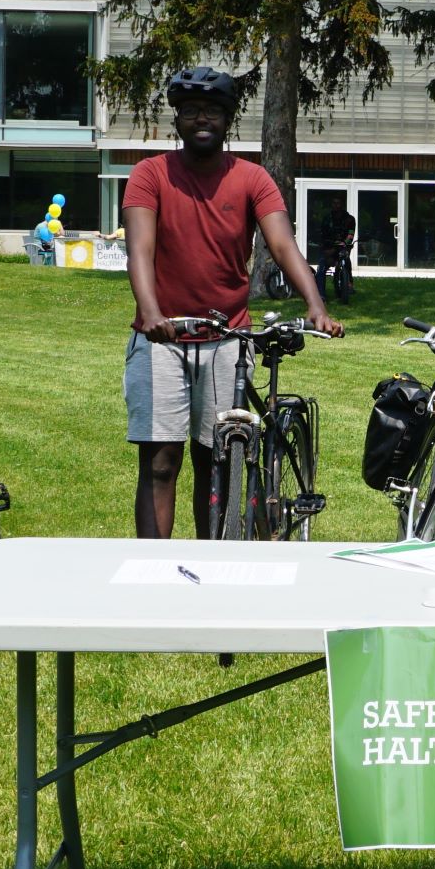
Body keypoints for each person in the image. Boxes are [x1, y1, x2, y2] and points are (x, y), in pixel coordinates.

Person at [120, 66, 341, 539]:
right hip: (162, 340)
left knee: (216, 460)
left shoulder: (252, 178)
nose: (203, 120)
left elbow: (283, 244)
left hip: (225, 340)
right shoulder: (149, 175)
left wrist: (315, 304)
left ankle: (210, 563)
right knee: (160, 462)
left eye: (213, 112)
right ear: (177, 120)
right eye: (192, 112)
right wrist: (152, 312)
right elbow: (138, 249)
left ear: (227, 120)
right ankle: (153, 568)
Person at [31, 196, 64, 267]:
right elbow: (57, 235)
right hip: (39, 245)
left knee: (53, 246)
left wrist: (59, 223)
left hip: (45, 244)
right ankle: (49, 265)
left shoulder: (51, 225)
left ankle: (51, 265)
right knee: (52, 247)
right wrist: (58, 225)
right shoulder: (43, 226)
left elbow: (62, 234)